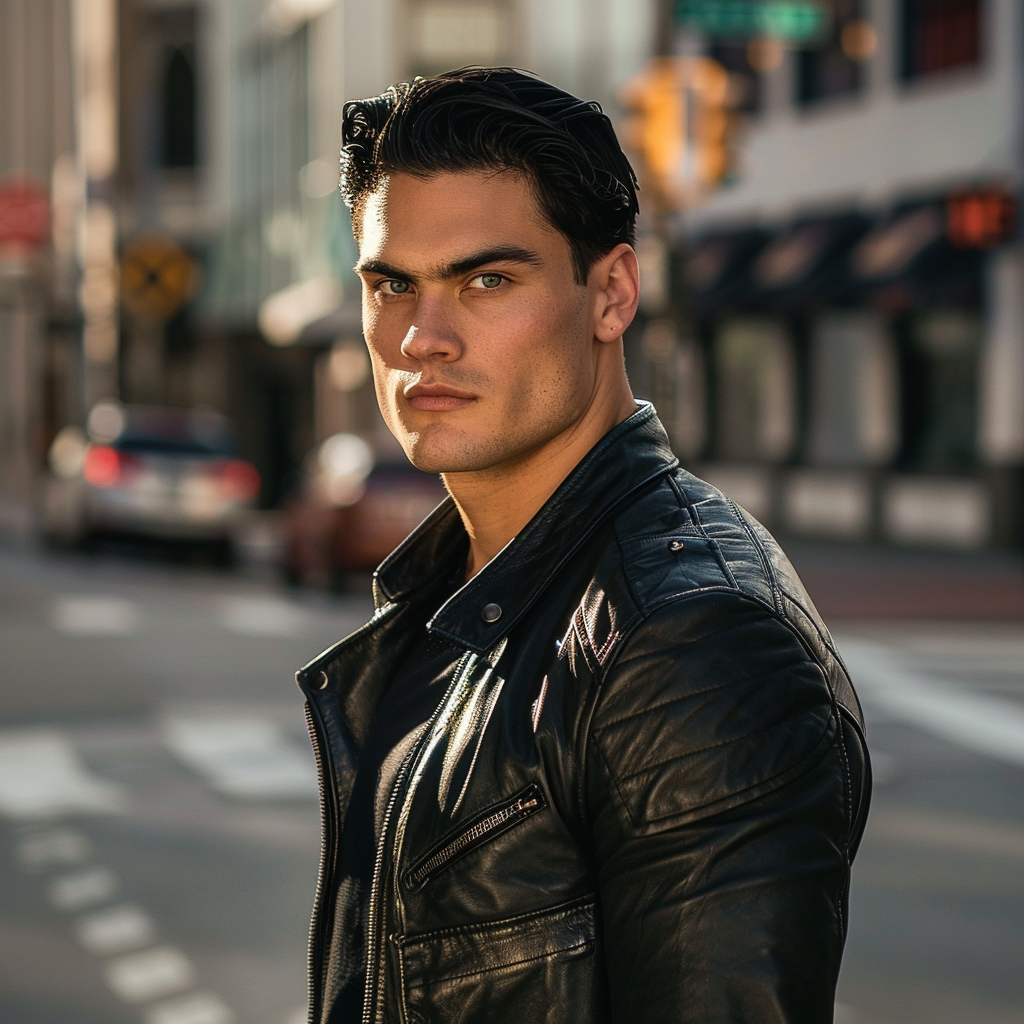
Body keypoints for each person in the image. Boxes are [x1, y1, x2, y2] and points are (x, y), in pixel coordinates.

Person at [296, 67, 870, 1024]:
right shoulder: (466, 590)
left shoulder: (691, 647)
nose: (422, 338)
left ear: (611, 294)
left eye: (487, 280)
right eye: (393, 283)